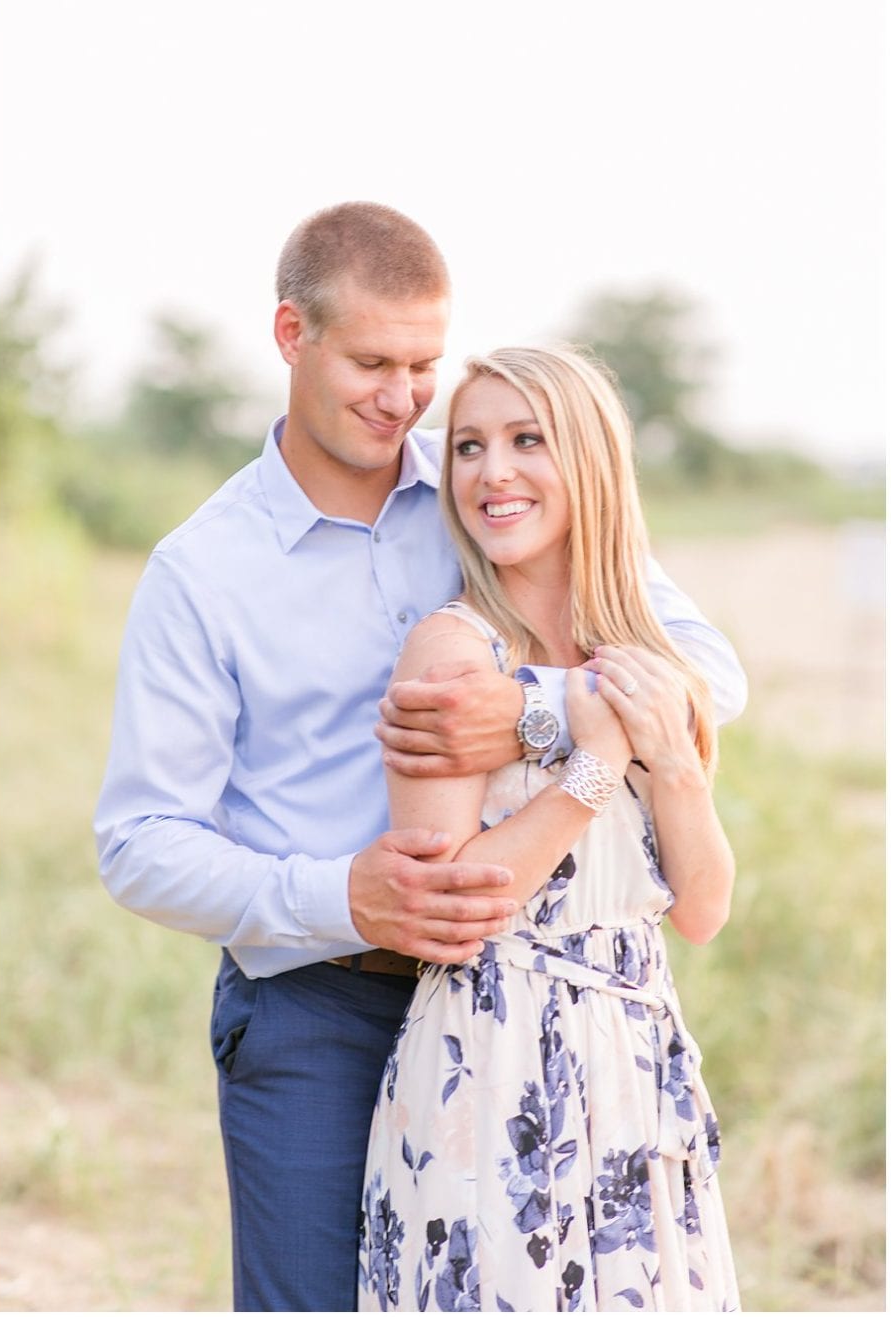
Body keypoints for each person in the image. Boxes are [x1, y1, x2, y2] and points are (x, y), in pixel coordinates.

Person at [92, 203, 746, 1311]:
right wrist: (342, 893)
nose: (403, 398)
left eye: (422, 364)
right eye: (373, 362)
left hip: (537, 997)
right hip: (315, 999)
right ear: (292, 335)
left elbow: (704, 670)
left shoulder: (484, 484)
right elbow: (138, 844)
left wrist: (533, 713)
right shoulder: (203, 571)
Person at [357, 345, 738, 1310]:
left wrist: (675, 763)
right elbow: (456, 906)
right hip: (496, 1054)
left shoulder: (650, 658)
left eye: (528, 440)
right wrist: (595, 766)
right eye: (472, 446)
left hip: (637, 1052)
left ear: (591, 462)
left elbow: (702, 909)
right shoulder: (452, 649)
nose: (493, 472)